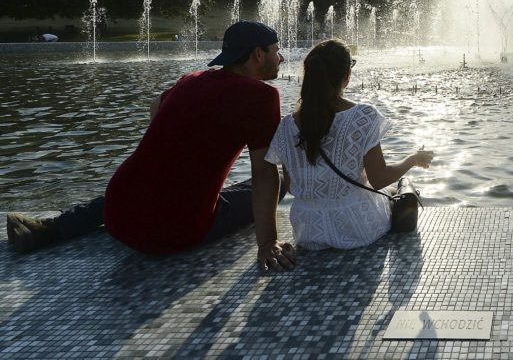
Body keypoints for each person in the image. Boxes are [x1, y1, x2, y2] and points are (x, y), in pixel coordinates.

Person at [6, 21, 298, 273]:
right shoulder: (261, 97)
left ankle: (49, 229)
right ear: (257, 55)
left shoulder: (190, 81)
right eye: (276, 50)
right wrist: (267, 243)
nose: (281, 57)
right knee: (281, 183)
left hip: (118, 213)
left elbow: (155, 107)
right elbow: (263, 175)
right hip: (175, 231)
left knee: (145, 182)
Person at [266, 39, 434, 250]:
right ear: (347, 76)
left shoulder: (288, 125)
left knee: (382, 190)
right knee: (392, 190)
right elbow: (379, 178)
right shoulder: (363, 116)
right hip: (356, 228)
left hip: (307, 230)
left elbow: (291, 186)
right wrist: (413, 160)